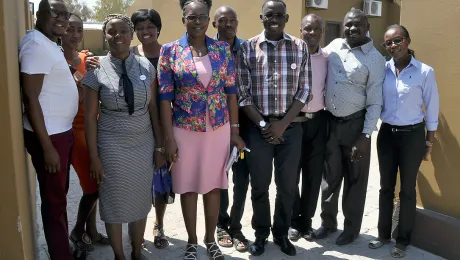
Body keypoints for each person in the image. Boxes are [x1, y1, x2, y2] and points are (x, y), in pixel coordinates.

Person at [158, 0, 245, 259]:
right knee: (188, 186)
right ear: (183, 19)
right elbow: (164, 98)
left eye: (202, 17)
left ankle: (211, 240)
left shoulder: (222, 50)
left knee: (213, 185)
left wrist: (235, 130)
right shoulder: (170, 51)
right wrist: (168, 139)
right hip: (184, 128)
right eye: (191, 17)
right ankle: (193, 241)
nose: (197, 22)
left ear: (210, 20)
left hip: (217, 128)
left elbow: (231, 93)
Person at [82, 14, 165, 260]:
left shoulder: (146, 66)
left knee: (140, 200)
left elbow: (152, 109)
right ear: (105, 36)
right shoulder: (96, 69)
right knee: (114, 201)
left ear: (131, 34)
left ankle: (137, 251)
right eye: (111, 32)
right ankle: (120, 255)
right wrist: (94, 158)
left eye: (123, 31)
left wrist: (160, 147)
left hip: (143, 142)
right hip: (111, 144)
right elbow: (89, 118)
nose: (118, 36)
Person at [237, 0, 312, 256]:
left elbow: (305, 90)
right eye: (269, 15)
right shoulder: (247, 48)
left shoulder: (300, 47)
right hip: (257, 128)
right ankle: (260, 234)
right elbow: (243, 94)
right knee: (259, 185)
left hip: (289, 128)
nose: (274, 19)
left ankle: (281, 234)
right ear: (262, 17)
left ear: (287, 18)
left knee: (287, 185)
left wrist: (283, 124)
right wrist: (263, 124)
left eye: (279, 15)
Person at [316, 8, 385, 246]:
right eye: (348, 25)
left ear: (368, 27)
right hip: (330, 123)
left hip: (356, 126)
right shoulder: (334, 46)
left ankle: (352, 229)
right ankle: (327, 223)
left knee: (355, 180)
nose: (352, 29)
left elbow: (376, 100)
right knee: (330, 176)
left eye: (357, 25)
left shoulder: (376, 59)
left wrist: (366, 136)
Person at [368, 25, 439, 258]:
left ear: (407, 40)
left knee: (407, 189)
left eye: (397, 40)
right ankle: (382, 234)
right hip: (387, 134)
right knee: (385, 187)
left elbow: (432, 108)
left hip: (412, 136)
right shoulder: (383, 70)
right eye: (387, 43)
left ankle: (402, 240)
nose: (392, 46)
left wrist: (429, 143)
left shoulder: (424, 72)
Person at [19, 1, 77, 259]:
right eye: (56, 13)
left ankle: (61, 248)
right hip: (50, 138)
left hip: (59, 132)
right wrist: (47, 148)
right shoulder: (35, 46)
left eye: (65, 14)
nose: (62, 19)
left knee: (58, 200)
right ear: (39, 14)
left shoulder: (47, 43)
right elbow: (31, 98)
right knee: (54, 204)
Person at [62, 13, 109, 253]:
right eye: (70, 29)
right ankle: (77, 230)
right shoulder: (55, 59)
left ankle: (91, 231)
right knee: (93, 187)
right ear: (60, 30)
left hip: (91, 127)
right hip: (69, 130)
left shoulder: (86, 58)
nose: (76, 35)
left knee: (95, 183)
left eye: (79, 30)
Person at [131, 8, 173, 250]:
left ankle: (159, 224)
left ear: (158, 28)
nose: (145, 32)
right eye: (140, 28)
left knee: (161, 178)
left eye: (149, 27)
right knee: (138, 180)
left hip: (166, 122)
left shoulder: (169, 53)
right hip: (137, 126)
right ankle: (137, 227)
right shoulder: (130, 54)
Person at [212, 5, 249, 252]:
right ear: (214, 24)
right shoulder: (208, 49)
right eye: (222, 21)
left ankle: (237, 226)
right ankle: (221, 224)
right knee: (219, 176)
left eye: (232, 20)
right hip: (216, 123)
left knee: (242, 176)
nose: (228, 25)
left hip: (246, 121)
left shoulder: (248, 48)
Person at [288, 13, 328, 242]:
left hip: (319, 122)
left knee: (313, 176)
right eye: (307, 29)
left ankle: (307, 223)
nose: (312, 33)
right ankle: (293, 221)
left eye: (316, 29)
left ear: (322, 32)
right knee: (292, 173)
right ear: (300, 30)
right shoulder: (292, 54)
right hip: (295, 120)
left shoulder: (328, 58)